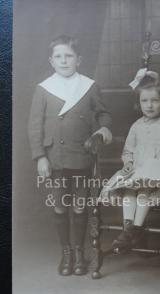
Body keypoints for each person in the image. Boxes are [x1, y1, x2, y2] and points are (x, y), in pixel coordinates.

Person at [28, 35, 112, 276]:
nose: (64, 61)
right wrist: (40, 157)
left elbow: (104, 115)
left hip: (81, 156)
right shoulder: (43, 88)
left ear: (79, 60)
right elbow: (35, 126)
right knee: (59, 206)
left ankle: (78, 253)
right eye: (58, 56)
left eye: (69, 56)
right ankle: (65, 252)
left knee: (78, 206)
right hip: (55, 157)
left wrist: (101, 132)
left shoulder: (88, 85)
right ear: (51, 61)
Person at [100, 69, 160, 252]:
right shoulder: (136, 126)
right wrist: (128, 163)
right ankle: (128, 231)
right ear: (138, 103)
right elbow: (128, 151)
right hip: (138, 170)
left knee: (143, 193)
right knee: (129, 192)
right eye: (144, 101)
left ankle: (136, 230)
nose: (149, 105)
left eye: (155, 101)